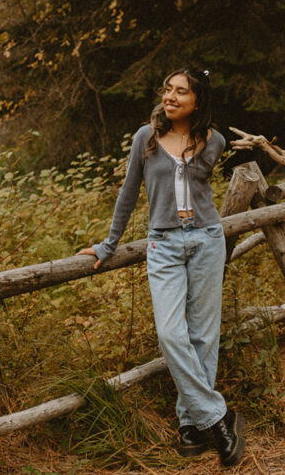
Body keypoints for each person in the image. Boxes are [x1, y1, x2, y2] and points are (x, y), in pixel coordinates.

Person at [77, 67, 246, 467]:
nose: (170, 97)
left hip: (206, 240)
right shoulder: (146, 137)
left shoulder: (214, 140)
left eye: (181, 92)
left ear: (197, 101)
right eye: (167, 90)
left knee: (204, 336)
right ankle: (220, 419)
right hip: (165, 245)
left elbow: (198, 189)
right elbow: (129, 192)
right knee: (172, 334)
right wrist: (108, 244)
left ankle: (190, 425)